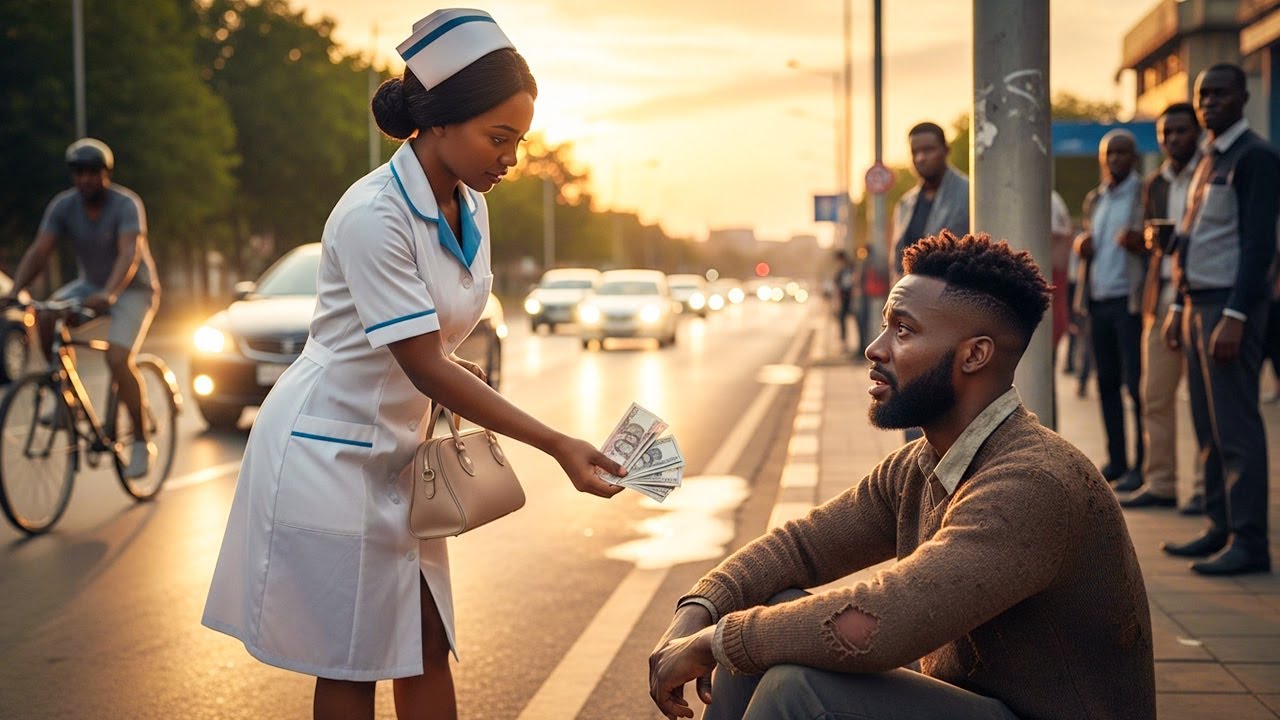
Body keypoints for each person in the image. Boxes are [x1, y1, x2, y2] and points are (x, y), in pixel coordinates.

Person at [201, 11, 628, 720]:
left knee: (427, 640)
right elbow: (427, 363)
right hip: (327, 454)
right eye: (499, 138)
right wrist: (556, 443)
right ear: (439, 121)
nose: (511, 159)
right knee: (354, 660)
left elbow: (442, 350)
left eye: (517, 141)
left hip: (398, 452)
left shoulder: (470, 204)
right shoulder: (374, 214)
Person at [649, 232, 1154, 720]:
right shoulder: (923, 463)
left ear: (974, 355)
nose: (876, 348)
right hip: (975, 701)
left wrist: (719, 639)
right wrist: (702, 606)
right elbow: (800, 547)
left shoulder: (1032, 483)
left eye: (903, 330)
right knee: (770, 609)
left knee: (796, 688)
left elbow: (878, 622)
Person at [1161, 63, 1278, 576]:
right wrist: (1179, 305)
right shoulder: (1209, 158)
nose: (1209, 102)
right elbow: (1192, 239)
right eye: (1202, 94)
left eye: (1220, 93)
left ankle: (1250, 541)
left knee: (1236, 425)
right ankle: (1219, 525)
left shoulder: (1256, 157)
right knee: (1207, 424)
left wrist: (1234, 313)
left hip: (1230, 307)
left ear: (1243, 97)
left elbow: (1258, 246)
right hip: (1197, 304)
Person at [4, 138, 160, 479]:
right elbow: (39, 250)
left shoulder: (126, 204)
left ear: (106, 174)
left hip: (133, 289)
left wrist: (110, 292)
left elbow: (129, 254)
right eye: (79, 173)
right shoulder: (63, 206)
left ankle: (140, 440)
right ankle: (66, 402)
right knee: (45, 315)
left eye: (93, 172)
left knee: (118, 358)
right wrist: (16, 290)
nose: (86, 179)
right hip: (91, 285)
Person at [1118, 103, 1205, 513]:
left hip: (1203, 296)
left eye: (1181, 131)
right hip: (1161, 298)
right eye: (1165, 133)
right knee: (1154, 396)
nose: (1173, 140)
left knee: (1205, 400)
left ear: (1197, 131)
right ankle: (1162, 481)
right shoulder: (1155, 184)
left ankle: (1208, 487)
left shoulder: (1210, 172)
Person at [1073, 129, 1147, 489]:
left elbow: (1157, 241)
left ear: (1133, 158)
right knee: (1106, 384)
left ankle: (1143, 466)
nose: (1115, 159)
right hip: (1098, 301)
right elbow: (1090, 242)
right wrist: (1081, 246)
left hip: (1130, 302)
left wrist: (1141, 243)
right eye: (1109, 154)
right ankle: (1117, 460)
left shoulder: (1145, 194)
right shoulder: (1095, 199)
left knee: (1136, 386)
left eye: (1122, 153)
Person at [888, 122, 970, 282]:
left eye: (928, 150)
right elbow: (897, 263)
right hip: (913, 299)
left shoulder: (970, 193)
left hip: (957, 296)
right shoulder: (905, 204)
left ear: (946, 150)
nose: (920, 158)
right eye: (915, 152)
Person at [831, 250, 857, 351]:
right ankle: (844, 342)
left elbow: (840, 286)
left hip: (850, 298)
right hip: (845, 298)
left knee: (851, 319)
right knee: (842, 319)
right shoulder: (843, 270)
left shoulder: (849, 269)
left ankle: (848, 342)